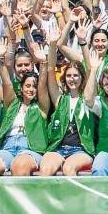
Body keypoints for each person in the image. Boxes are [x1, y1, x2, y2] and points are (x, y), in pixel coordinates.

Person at [0, 45, 50, 191]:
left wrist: (43, 63)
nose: (31, 89)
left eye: (34, 86)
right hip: (9, 147)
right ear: (21, 88)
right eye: (27, 86)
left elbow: (43, 85)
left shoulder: (42, 106)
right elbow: (6, 81)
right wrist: (0, 59)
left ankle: (21, 210)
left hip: (29, 147)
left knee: (20, 164)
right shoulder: (12, 104)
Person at [39, 25, 96, 176]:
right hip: (58, 147)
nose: (72, 79)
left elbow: (89, 69)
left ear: (82, 78)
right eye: (69, 75)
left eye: (76, 75)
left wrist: (83, 42)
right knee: (44, 170)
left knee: (69, 168)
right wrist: (52, 44)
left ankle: (73, 200)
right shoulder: (60, 99)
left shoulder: (88, 98)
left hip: (81, 149)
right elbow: (50, 69)